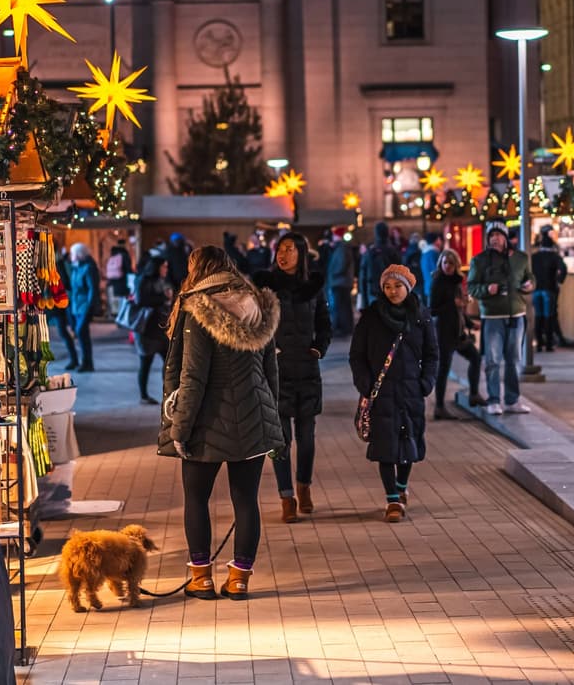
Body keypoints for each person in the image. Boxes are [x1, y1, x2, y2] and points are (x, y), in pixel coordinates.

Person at [159, 246, 283, 601]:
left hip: (207, 421)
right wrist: (271, 419)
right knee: (246, 500)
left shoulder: (198, 308)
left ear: (197, 269)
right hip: (255, 417)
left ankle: (201, 578)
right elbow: (271, 371)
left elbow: (193, 377)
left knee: (196, 498)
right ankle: (240, 578)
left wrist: (179, 429)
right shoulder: (258, 306)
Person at [253, 232, 331, 524]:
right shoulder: (266, 286)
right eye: (279, 249)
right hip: (278, 370)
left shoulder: (314, 287)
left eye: (289, 249)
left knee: (307, 439)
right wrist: (269, 349)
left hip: (308, 369)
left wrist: (318, 349)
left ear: (301, 253)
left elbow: (325, 323)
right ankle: (286, 496)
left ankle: (304, 487)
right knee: (280, 440)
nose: (282, 255)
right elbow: (255, 324)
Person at [349, 264, 437, 522]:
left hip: (410, 392)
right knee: (385, 446)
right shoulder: (371, 317)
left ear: (408, 287)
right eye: (387, 286)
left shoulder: (420, 316)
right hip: (382, 393)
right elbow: (357, 355)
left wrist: (426, 383)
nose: (392, 291)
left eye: (397, 286)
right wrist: (365, 384)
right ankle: (392, 500)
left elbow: (432, 353)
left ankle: (401, 487)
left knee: (407, 444)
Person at [467, 222, 536, 415]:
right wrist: (487, 290)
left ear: (506, 238)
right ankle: (494, 399)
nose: (494, 239)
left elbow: (530, 278)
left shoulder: (521, 258)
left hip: (517, 315)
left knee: (514, 360)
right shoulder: (480, 261)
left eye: (498, 235)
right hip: (493, 316)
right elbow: (471, 287)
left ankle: (512, 400)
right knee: (493, 360)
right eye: (491, 236)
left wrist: (530, 285)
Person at [429, 248, 482, 418]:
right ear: (441, 263)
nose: (448, 266)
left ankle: (474, 394)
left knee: (475, 357)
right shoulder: (437, 281)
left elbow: (459, 310)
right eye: (445, 263)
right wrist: (453, 303)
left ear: (456, 264)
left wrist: (469, 322)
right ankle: (439, 407)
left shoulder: (457, 281)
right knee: (443, 369)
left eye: (451, 263)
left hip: (459, 331)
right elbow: (433, 310)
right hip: (444, 332)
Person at [133, 254, 173, 405]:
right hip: (147, 328)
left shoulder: (162, 280)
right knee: (146, 362)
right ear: (157, 267)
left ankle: (169, 392)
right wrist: (163, 298)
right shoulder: (143, 280)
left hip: (162, 328)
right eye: (164, 266)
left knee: (170, 361)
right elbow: (141, 300)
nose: (166, 269)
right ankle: (143, 396)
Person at [530, 230, 568, 353]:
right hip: (549, 289)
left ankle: (539, 343)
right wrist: (559, 280)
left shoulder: (534, 257)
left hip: (536, 290)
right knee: (549, 317)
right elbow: (563, 268)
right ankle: (549, 344)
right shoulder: (555, 257)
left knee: (538, 317)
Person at [68, 243, 102, 373]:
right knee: (83, 334)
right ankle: (88, 363)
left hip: (85, 306)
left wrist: (89, 306)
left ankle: (86, 361)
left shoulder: (88, 268)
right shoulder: (76, 268)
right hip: (76, 306)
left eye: (72, 253)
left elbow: (92, 289)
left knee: (80, 331)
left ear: (78, 254)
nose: (71, 256)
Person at [358, 222, 401, 308]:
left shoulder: (370, 253)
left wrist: (362, 295)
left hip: (373, 291)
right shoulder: (393, 251)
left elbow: (363, 275)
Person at [51, 245, 80, 369]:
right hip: (55, 303)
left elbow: (66, 284)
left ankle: (74, 359)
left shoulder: (58, 266)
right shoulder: (59, 265)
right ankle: (74, 359)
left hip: (57, 303)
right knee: (63, 332)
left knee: (63, 332)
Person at [325, 227, 355, 335]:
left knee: (341, 306)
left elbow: (341, 264)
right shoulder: (341, 247)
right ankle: (345, 327)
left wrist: (333, 274)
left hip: (340, 282)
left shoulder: (342, 248)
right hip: (341, 282)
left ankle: (343, 328)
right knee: (343, 306)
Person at [105, 238, 133, 316]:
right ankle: (122, 316)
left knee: (115, 299)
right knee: (124, 299)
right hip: (123, 280)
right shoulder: (124, 254)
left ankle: (116, 315)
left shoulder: (113, 254)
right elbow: (128, 269)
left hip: (113, 280)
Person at [420, 232, 443, 302]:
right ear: (436, 240)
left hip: (428, 287)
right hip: (436, 288)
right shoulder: (434, 253)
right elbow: (438, 271)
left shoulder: (424, 253)